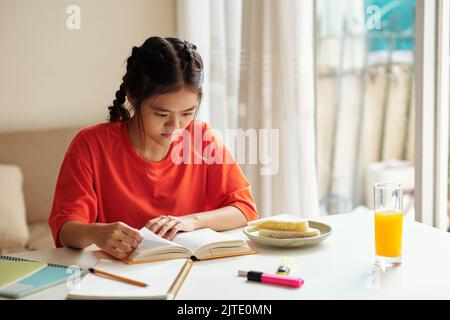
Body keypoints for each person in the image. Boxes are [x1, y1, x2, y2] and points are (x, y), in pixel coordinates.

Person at [48, 36, 258, 260]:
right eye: (161, 114)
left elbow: (244, 209)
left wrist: (190, 220)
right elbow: (65, 229)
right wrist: (96, 233)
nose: (176, 126)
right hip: (118, 274)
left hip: (187, 269)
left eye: (187, 113)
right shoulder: (91, 144)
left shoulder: (201, 138)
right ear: (133, 96)